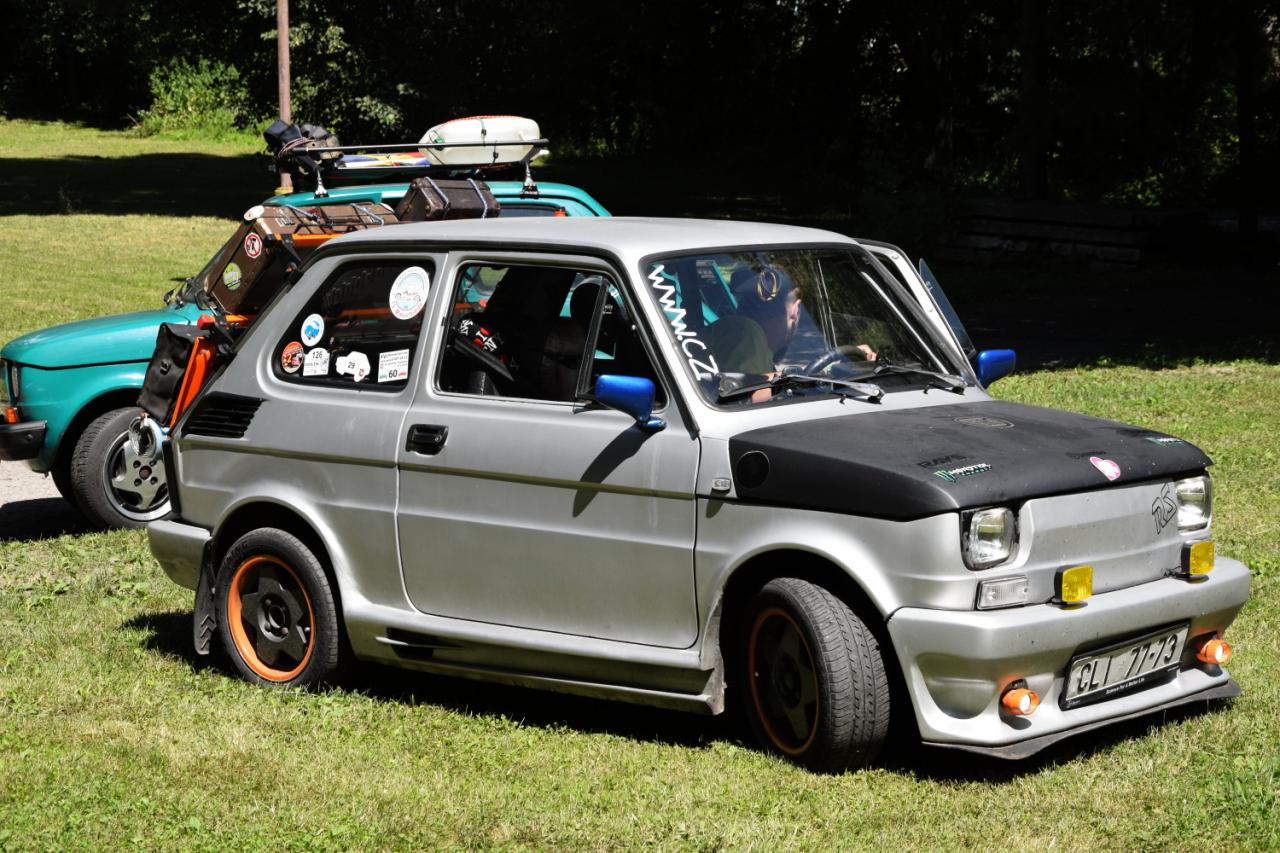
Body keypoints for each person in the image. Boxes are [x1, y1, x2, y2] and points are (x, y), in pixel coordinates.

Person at [705, 266, 875, 402]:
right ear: (796, 310)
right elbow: (744, 393)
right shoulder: (746, 332)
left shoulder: (727, 329)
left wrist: (833, 367)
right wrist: (830, 373)